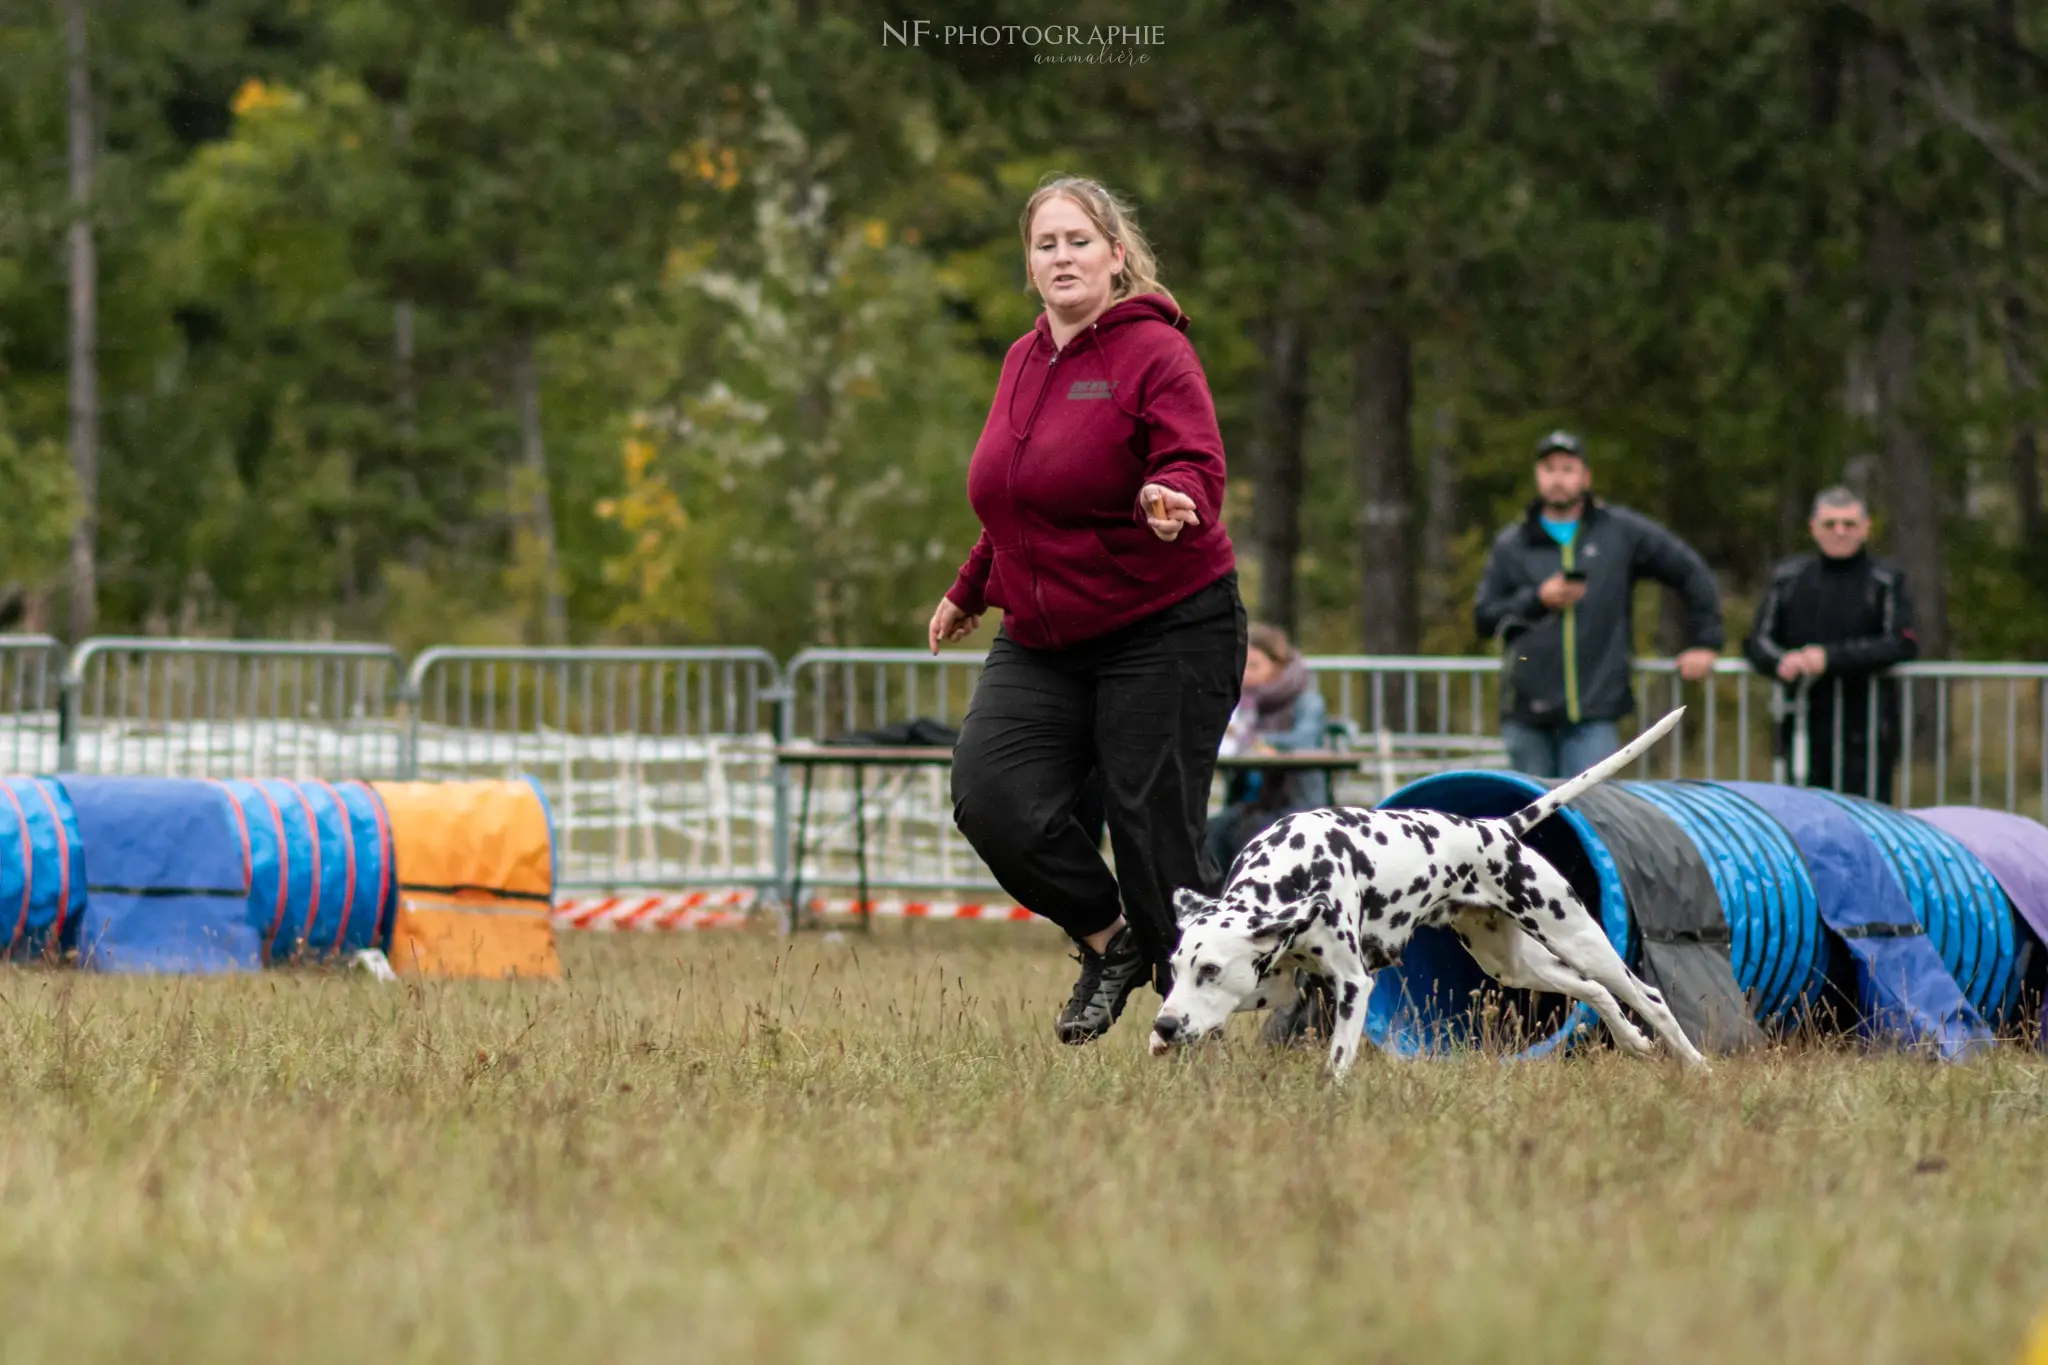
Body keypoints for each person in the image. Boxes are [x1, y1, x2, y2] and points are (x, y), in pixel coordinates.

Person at [928, 174, 1246, 1045]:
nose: (1061, 257)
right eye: (1045, 245)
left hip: (1166, 622)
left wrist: (1170, 495)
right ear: (1028, 267)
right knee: (993, 797)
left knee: (1156, 841)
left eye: (1078, 241)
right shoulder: (1022, 361)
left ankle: (1201, 1029)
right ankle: (1111, 943)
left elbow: (1197, 465)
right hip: (1045, 639)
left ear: (1115, 253)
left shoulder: (1157, 353)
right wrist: (969, 586)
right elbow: (1015, 498)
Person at [1474, 429, 1723, 778]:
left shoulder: (1619, 532)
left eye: (1567, 468)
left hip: (1594, 715)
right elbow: (1484, 617)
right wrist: (1537, 599)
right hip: (1527, 715)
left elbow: (1690, 570)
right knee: (1532, 822)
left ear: (1585, 477)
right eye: (1548, 468)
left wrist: (1706, 641)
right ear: (1537, 476)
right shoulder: (1512, 544)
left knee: (1589, 816)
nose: (1557, 478)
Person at [1744, 486, 1917, 802]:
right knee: (1803, 816)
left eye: (1849, 524)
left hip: (1868, 728)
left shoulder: (1886, 579)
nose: (1840, 532)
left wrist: (1831, 659)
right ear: (1813, 527)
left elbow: (1901, 642)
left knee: (1868, 821)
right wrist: (1783, 662)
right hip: (1803, 723)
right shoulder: (1788, 577)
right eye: (1830, 524)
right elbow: (1757, 641)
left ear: (1865, 528)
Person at [1205, 623, 1329, 875]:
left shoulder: (1307, 700)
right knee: (1208, 833)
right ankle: (1218, 905)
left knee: (1250, 834)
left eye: (1254, 666)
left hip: (1295, 804)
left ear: (1279, 665)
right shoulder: (1245, 705)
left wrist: (1256, 741)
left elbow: (1304, 740)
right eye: (1242, 665)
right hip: (1249, 805)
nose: (1246, 674)